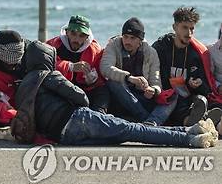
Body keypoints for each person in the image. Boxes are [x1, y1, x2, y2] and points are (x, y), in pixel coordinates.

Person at [15, 39, 217, 148]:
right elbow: (81, 97)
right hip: (78, 118)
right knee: (134, 131)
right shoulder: (49, 75)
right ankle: (189, 137)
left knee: (125, 134)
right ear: (46, 58)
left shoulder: (24, 86)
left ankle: (185, 132)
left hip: (64, 136)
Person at [153, 7, 222, 127]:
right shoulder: (161, 47)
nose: (189, 33)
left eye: (192, 29)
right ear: (175, 27)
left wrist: (196, 84)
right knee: (174, 99)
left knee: (201, 99)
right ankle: (198, 120)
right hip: (166, 96)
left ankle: (198, 119)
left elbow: (206, 88)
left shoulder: (196, 53)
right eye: (185, 27)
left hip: (188, 97)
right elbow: (153, 74)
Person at [101, 17, 176, 126]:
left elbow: (156, 82)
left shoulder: (151, 53)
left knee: (174, 95)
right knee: (113, 82)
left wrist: (153, 90)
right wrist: (129, 78)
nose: (127, 41)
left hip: (142, 98)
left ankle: (152, 122)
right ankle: (147, 121)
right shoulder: (113, 45)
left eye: (132, 38)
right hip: (121, 97)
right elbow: (105, 68)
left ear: (140, 41)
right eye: (125, 37)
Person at [46, 15, 110, 113]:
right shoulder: (53, 45)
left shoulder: (95, 50)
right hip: (60, 88)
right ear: (67, 32)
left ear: (87, 37)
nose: (77, 39)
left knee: (103, 90)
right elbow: (44, 66)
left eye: (81, 35)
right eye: (73, 33)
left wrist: (93, 80)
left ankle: (99, 114)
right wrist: (70, 67)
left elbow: (100, 80)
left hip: (85, 90)